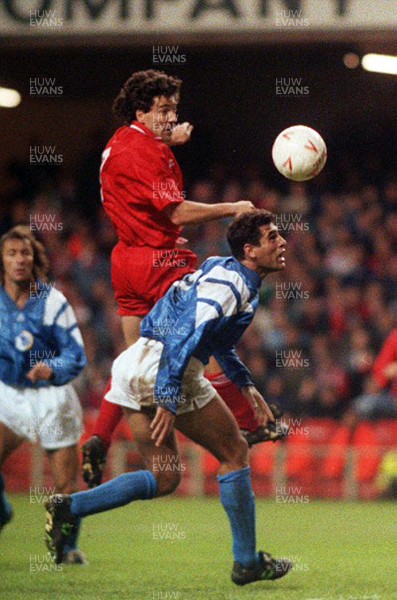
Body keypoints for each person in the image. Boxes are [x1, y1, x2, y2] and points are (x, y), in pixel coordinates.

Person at [45, 210, 293, 585]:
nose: (282, 242)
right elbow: (184, 334)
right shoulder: (231, 288)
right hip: (166, 366)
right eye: (272, 237)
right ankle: (246, 562)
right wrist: (167, 395)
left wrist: (245, 384)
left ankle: (70, 507)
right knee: (235, 453)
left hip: (135, 364)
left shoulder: (224, 269)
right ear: (250, 250)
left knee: (164, 478)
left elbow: (216, 341)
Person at [82, 69, 284, 488]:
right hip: (160, 260)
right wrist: (231, 208)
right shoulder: (150, 154)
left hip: (124, 260)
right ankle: (250, 423)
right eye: (163, 110)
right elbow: (174, 213)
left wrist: (166, 138)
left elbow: (135, 164)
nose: (171, 116)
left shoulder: (123, 140)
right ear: (141, 109)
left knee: (135, 362)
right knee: (202, 335)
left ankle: (99, 437)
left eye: (174, 108)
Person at [0, 226, 87, 564]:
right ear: (3, 262)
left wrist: (52, 367)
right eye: (12, 254)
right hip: (8, 394)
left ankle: (66, 551)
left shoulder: (52, 301)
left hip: (53, 396)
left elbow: (76, 354)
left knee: (65, 483)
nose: (20, 260)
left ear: (34, 258)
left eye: (25, 253)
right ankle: (4, 512)